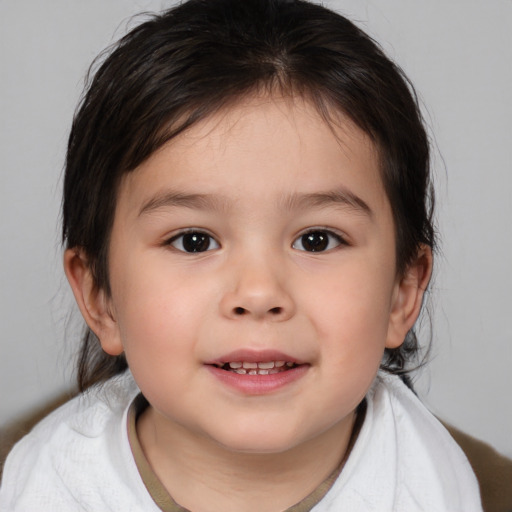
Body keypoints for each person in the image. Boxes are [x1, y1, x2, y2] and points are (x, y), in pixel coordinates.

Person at [0, 0, 483, 510]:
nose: (258, 293)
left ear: (402, 293)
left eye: (317, 239)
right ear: (101, 296)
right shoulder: (43, 486)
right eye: (194, 241)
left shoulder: (446, 486)